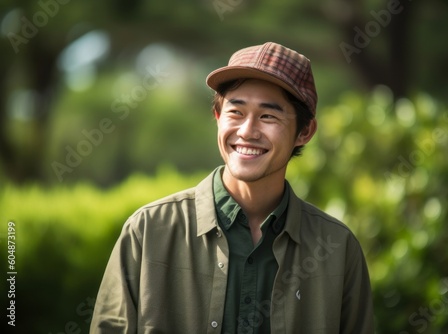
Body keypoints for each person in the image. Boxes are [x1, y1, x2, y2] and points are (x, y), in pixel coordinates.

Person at [90, 42, 374, 334]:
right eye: (235, 112)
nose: (247, 131)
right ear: (217, 117)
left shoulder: (337, 249)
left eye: (268, 116)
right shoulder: (148, 231)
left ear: (304, 132)